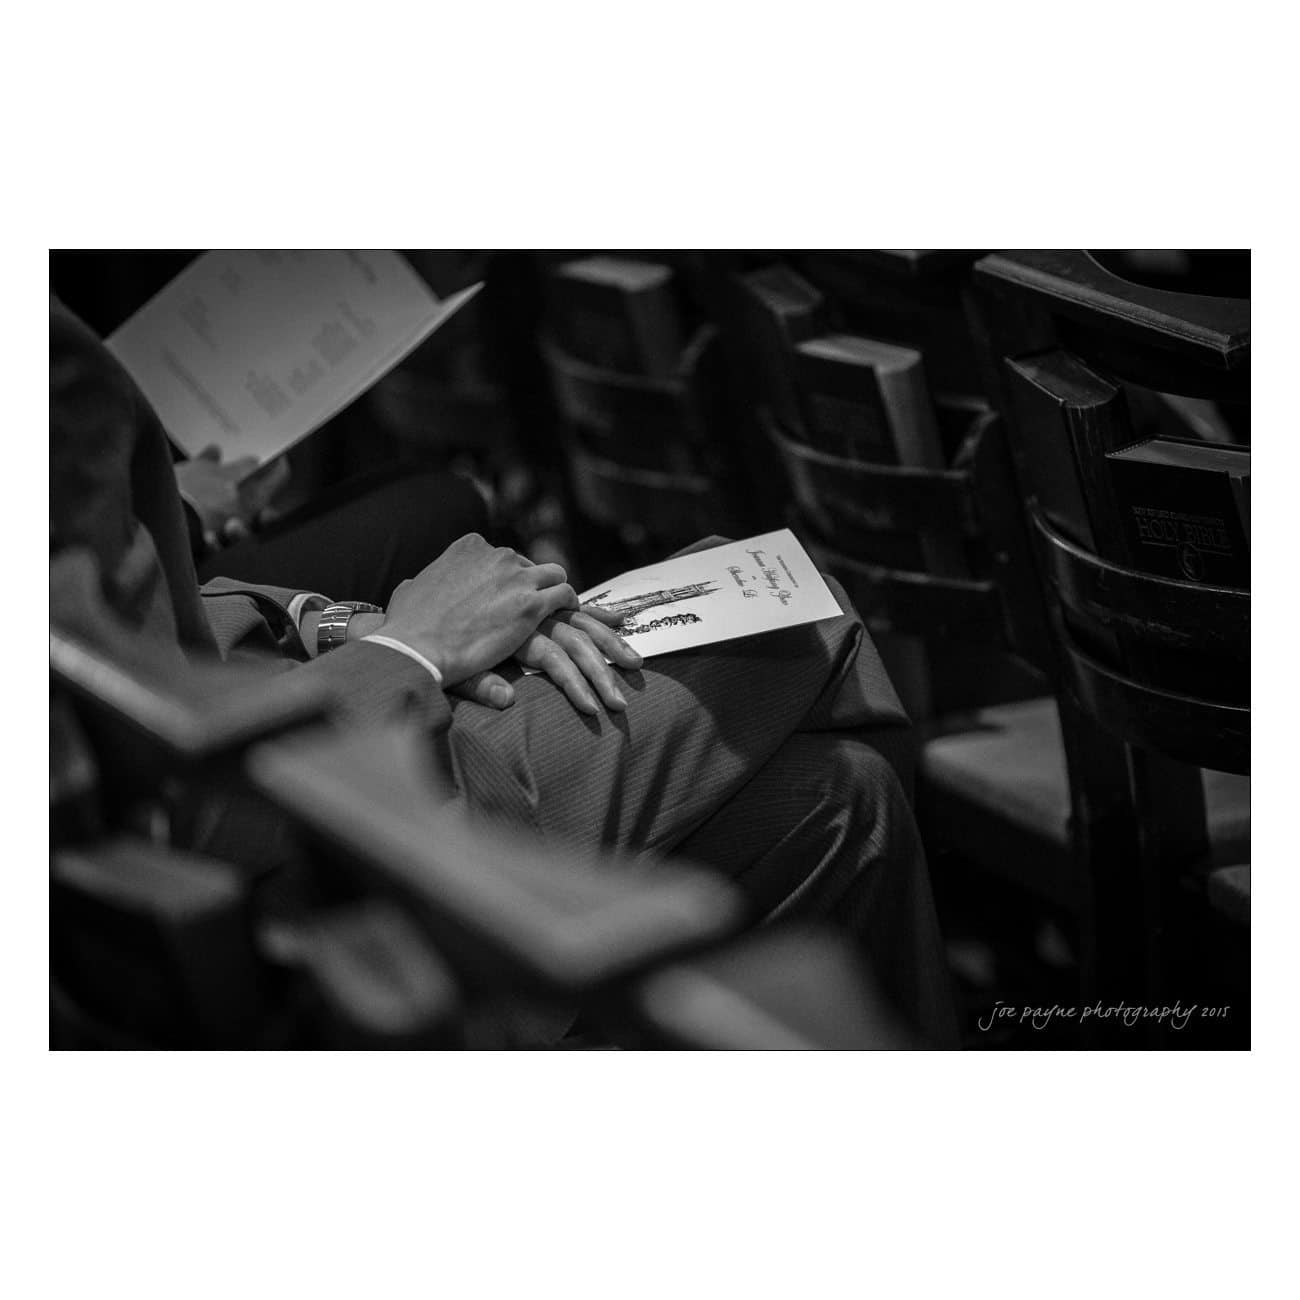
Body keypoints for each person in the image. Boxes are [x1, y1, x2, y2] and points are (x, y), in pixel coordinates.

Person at [49, 294, 959, 1045]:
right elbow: (170, 791)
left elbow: (118, 623)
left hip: (270, 734)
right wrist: (412, 653)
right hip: (311, 837)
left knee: (843, 798)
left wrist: (329, 621)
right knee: (802, 612)